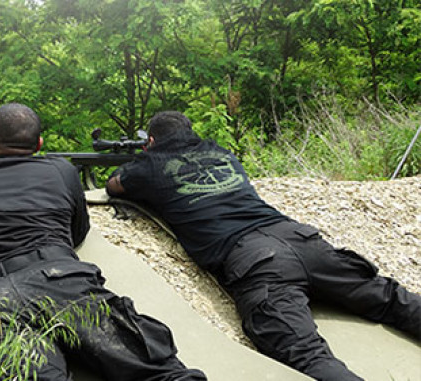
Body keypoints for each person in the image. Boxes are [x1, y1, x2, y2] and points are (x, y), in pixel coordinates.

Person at [105, 111, 421, 381]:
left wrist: (142, 158)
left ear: (151, 142)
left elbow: (114, 185)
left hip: (255, 258)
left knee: (305, 352)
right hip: (301, 239)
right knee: (391, 298)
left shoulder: (150, 166)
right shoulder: (221, 152)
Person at [0, 103, 206, 381]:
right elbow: (78, 231)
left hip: (1, 294)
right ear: (39, 143)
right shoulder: (62, 171)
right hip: (68, 280)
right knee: (159, 369)